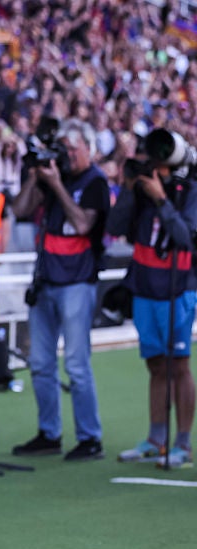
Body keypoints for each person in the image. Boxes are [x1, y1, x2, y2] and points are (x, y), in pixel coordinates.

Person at [11, 119, 110, 462]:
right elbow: (20, 209)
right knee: (40, 363)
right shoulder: (54, 175)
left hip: (77, 284)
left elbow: (83, 224)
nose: (67, 155)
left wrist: (58, 185)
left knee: (77, 365)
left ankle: (90, 438)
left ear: (88, 148)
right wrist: (39, 177)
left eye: (72, 148)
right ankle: (49, 433)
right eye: (63, 148)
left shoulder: (95, 181)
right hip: (46, 282)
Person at [107, 147, 197, 469]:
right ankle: (156, 439)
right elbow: (115, 226)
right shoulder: (141, 192)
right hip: (144, 288)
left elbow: (185, 236)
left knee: (180, 366)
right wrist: (131, 189)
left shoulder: (189, 191)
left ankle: (182, 444)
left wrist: (161, 199)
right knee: (156, 365)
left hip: (178, 289)